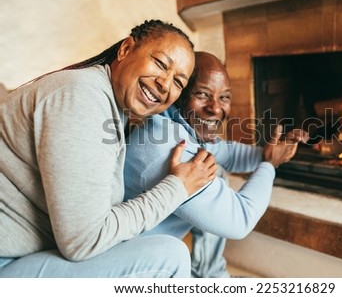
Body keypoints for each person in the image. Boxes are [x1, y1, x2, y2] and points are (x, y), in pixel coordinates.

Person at [0, 20, 218, 277]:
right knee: (169, 258)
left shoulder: (109, 107)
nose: (165, 84)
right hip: (7, 260)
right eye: (160, 64)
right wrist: (177, 188)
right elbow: (83, 241)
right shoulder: (82, 98)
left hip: (26, 253)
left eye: (179, 82)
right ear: (126, 49)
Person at [124, 51, 308, 277]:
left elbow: (227, 152)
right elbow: (240, 219)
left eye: (224, 97)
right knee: (212, 173)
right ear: (180, 92)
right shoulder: (168, 148)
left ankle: (209, 276)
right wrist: (269, 165)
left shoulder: (174, 123)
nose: (216, 108)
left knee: (214, 167)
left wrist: (266, 153)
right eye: (203, 94)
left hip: (151, 256)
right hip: (135, 270)